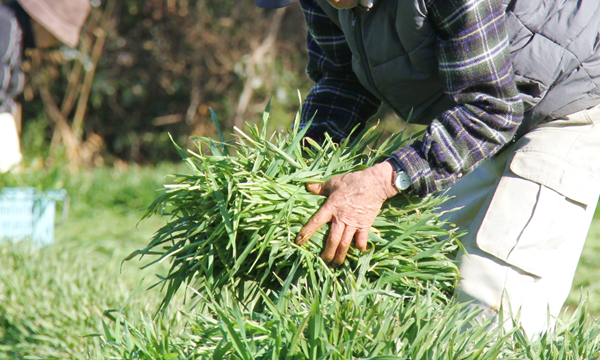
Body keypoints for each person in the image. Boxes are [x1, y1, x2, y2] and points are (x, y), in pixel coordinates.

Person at [256, 0, 600, 336]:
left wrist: (381, 181)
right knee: (424, 273)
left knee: (489, 297)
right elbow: (342, 80)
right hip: (489, 105)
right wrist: (298, 169)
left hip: (571, 97)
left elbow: (491, 111)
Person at [0, 0, 91, 173]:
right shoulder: (5, 26)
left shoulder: (14, 31)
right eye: (55, 37)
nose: (53, 44)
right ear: (39, 20)